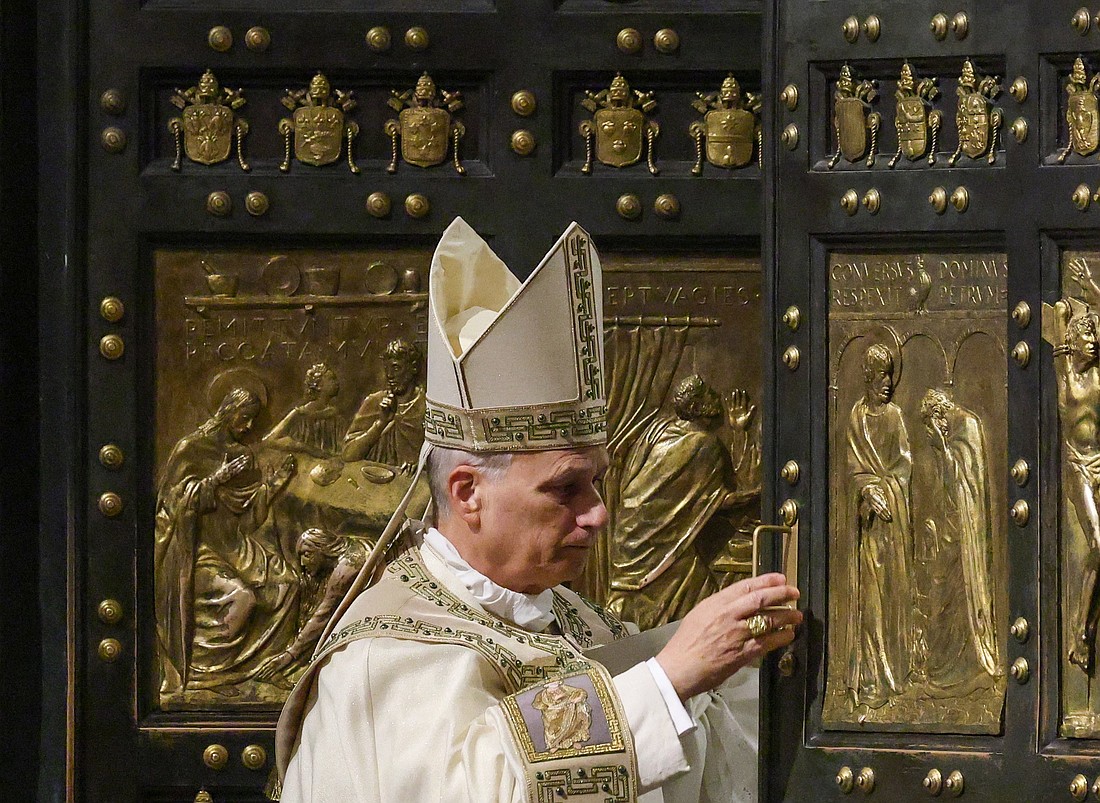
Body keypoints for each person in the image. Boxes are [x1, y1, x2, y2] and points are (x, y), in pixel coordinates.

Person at [274, 218, 800, 802]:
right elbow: (481, 790)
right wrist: (670, 678)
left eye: (597, 482)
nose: (597, 513)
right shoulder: (383, 657)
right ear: (468, 492)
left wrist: (741, 656)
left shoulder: (572, 620)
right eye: (565, 488)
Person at [154, 387, 298, 698]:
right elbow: (173, 504)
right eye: (243, 419)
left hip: (233, 544)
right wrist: (217, 478)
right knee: (242, 598)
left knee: (289, 584)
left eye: (252, 422)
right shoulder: (189, 449)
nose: (247, 428)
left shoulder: (243, 455)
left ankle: (266, 669)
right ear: (227, 410)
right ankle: (207, 675)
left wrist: (272, 485)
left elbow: (248, 517)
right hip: (199, 550)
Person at [607, 375, 758, 629]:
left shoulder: (657, 431)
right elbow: (732, 497)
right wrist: (740, 433)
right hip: (665, 554)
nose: (717, 398)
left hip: (631, 544)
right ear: (698, 407)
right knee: (703, 605)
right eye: (710, 394)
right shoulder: (704, 444)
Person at [843, 343, 914, 710]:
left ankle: (893, 672)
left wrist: (888, 489)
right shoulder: (856, 417)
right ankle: (871, 676)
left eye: (890, 374)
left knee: (890, 597)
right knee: (870, 600)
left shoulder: (895, 417)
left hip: (892, 525)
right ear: (868, 377)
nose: (886, 382)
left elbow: (904, 467)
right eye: (880, 374)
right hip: (867, 527)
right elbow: (852, 471)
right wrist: (867, 490)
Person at [918, 389, 1000, 688]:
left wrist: (943, 447)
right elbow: (943, 490)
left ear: (940, 415)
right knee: (941, 592)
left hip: (966, 532)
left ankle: (967, 666)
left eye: (931, 423)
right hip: (951, 531)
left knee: (957, 593)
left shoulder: (966, 426)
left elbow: (967, 484)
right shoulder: (949, 433)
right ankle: (944, 666)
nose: (931, 431)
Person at [255, 528, 367, 681]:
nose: (302, 563)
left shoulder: (345, 570)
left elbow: (324, 614)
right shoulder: (345, 546)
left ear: (325, 550)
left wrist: (291, 654)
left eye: (307, 555)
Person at [342, 338, 425, 472]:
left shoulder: (426, 406)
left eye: (396, 368)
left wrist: (422, 464)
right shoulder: (374, 402)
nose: (389, 375)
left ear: (414, 367)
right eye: (387, 369)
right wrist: (381, 423)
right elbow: (348, 454)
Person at [263, 363, 345, 458]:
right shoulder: (299, 415)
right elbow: (269, 441)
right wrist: (305, 448)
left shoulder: (335, 416)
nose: (337, 383)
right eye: (332, 379)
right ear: (318, 386)